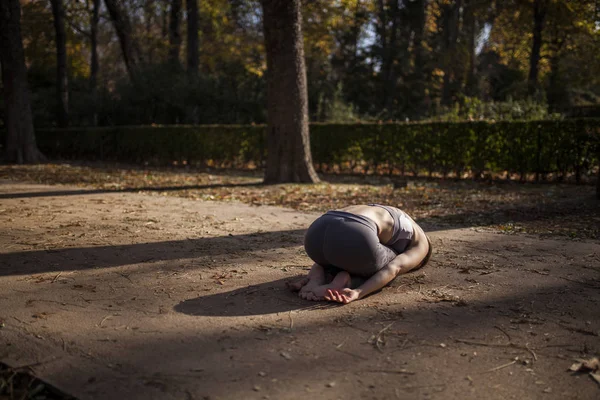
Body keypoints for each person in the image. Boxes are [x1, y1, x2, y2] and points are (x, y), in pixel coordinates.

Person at [287, 204, 431, 304]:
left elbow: (340, 239)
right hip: (357, 232)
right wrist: (359, 292)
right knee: (393, 260)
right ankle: (346, 280)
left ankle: (317, 276)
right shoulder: (422, 245)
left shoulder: (388, 211)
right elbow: (394, 268)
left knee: (342, 249)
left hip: (316, 233)